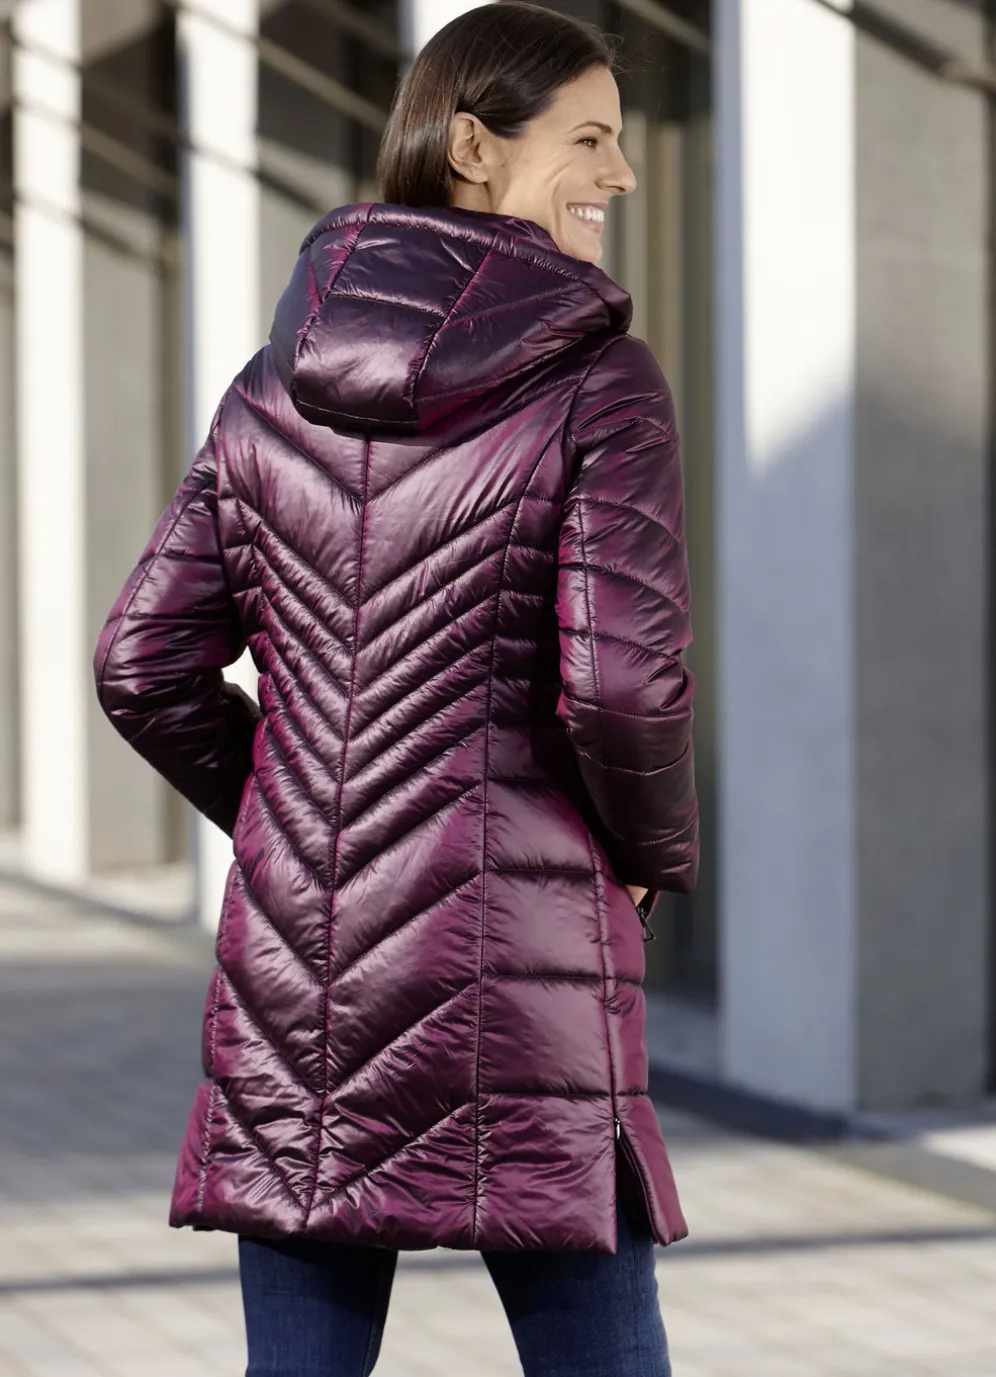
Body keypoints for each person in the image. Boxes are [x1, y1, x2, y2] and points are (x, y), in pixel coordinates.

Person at [93, 2, 699, 1373]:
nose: (622, 174)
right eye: (589, 139)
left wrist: (299, 816)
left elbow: (143, 663)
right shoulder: (600, 382)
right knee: (598, 1353)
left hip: (304, 960)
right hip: (523, 953)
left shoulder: (272, 387)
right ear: (473, 148)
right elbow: (620, 684)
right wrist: (647, 854)